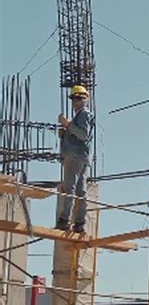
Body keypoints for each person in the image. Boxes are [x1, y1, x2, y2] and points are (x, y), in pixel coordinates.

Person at [56, 84, 93, 233]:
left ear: (84, 100)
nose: (74, 102)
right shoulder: (82, 115)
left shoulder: (83, 114)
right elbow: (80, 136)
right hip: (82, 156)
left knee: (69, 187)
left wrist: (67, 124)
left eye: (78, 98)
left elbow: (83, 135)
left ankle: (65, 220)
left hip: (75, 156)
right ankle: (79, 224)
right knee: (80, 190)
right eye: (73, 99)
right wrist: (65, 134)